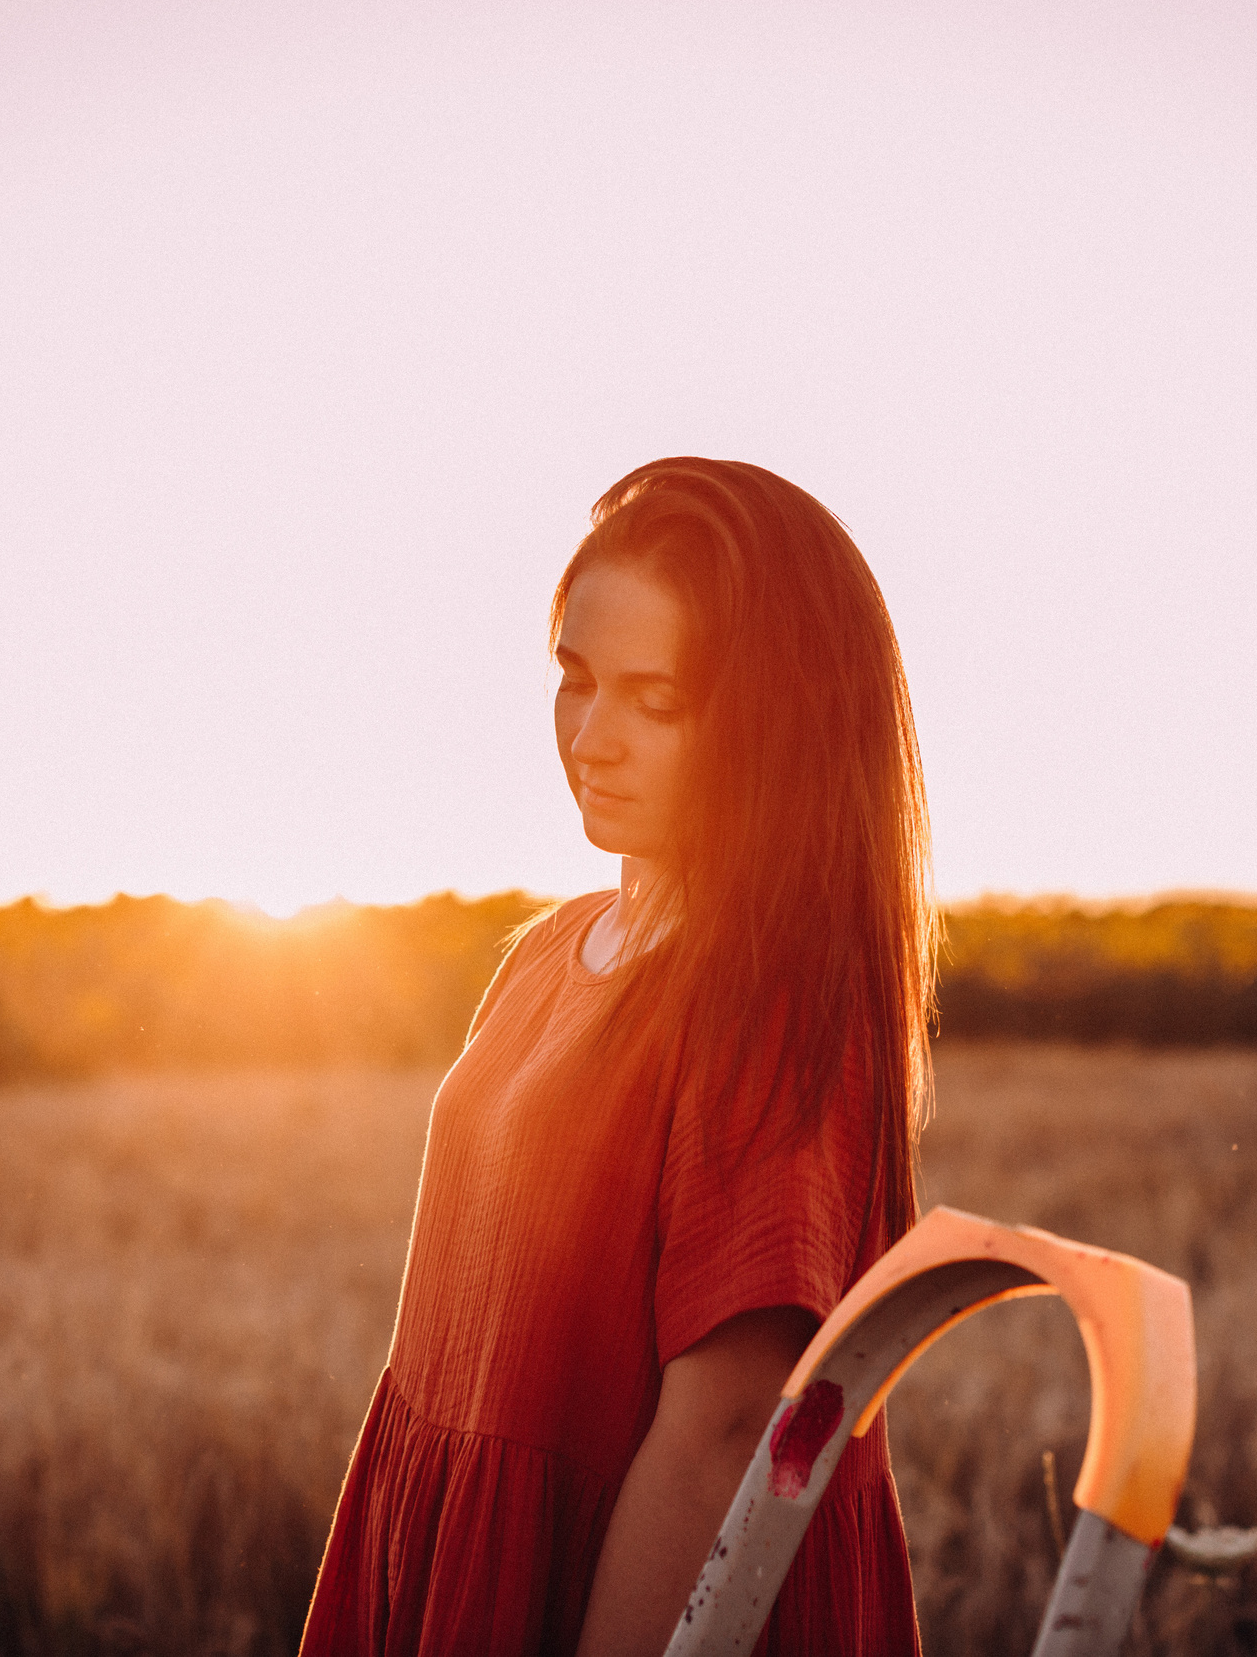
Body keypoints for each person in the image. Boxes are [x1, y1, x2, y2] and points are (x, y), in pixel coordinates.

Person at [299, 458, 935, 1656]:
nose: (592, 737)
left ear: (776, 716)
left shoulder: (766, 992)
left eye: (657, 700)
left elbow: (730, 1424)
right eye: (574, 681)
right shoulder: (550, 950)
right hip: (461, 1571)